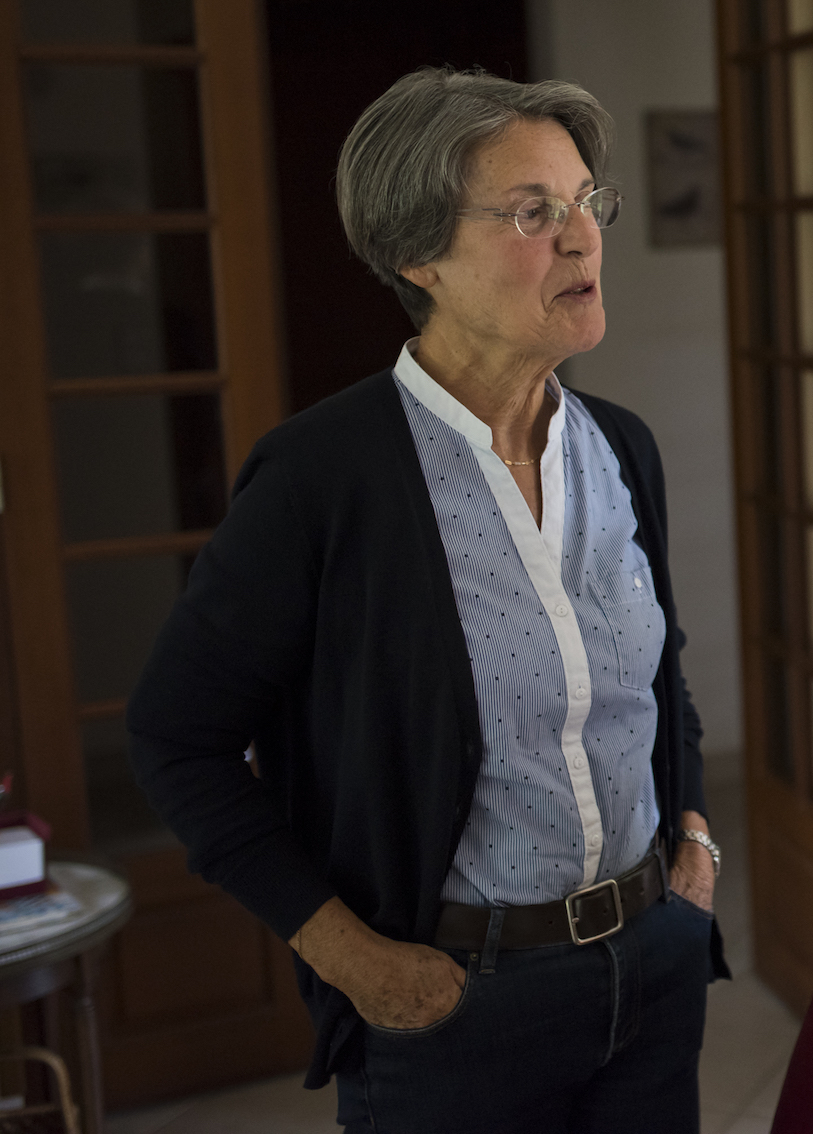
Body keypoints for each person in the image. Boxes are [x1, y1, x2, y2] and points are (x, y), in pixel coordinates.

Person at [126, 68, 727, 1133]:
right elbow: (179, 738)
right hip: (455, 1007)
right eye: (534, 212)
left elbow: (655, 670)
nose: (582, 238)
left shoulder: (619, 448)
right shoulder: (323, 478)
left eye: (588, 200)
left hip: (652, 971)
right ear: (417, 256)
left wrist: (692, 846)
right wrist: (350, 958)